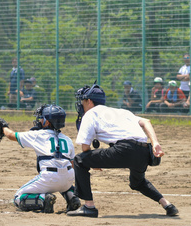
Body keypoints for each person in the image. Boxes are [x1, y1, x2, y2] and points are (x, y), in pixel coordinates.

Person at [67, 82, 179, 218]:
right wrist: (155, 142)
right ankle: (167, 204)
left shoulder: (90, 114)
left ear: (89, 101)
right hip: (144, 151)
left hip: (124, 150)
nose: (81, 104)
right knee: (137, 182)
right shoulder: (121, 111)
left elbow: (85, 147)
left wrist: (92, 162)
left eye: (82, 100)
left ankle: (89, 207)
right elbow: (146, 121)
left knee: (79, 160)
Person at [0, 105, 81, 214]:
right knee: (63, 175)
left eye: (42, 118)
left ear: (47, 122)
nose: (40, 120)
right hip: (68, 178)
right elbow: (72, 164)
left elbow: (11, 135)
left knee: (18, 197)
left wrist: (4, 126)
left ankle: (44, 200)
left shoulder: (37, 135)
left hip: (49, 178)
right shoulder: (68, 139)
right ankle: (72, 198)